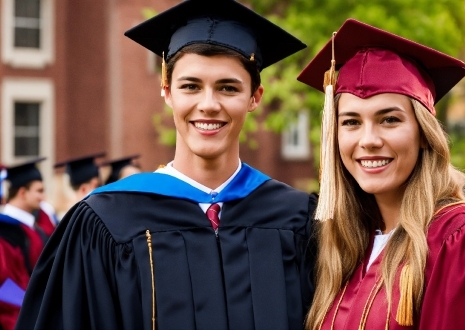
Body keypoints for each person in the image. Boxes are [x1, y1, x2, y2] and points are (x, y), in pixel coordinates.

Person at [17, 1, 316, 329]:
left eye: (228, 88)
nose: (208, 105)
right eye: (191, 86)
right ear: (167, 91)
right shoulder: (107, 220)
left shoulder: (296, 218)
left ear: (255, 97)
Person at [297, 19, 465, 330]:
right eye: (351, 122)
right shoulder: (347, 250)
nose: (368, 140)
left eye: (389, 119)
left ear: (424, 133)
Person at [0, 158, 49, 330]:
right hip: (18, 318)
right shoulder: (5, 232)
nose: (43, 197)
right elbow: (5, 283)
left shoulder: (36, 229)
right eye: (39, 191)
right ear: (22, 192)